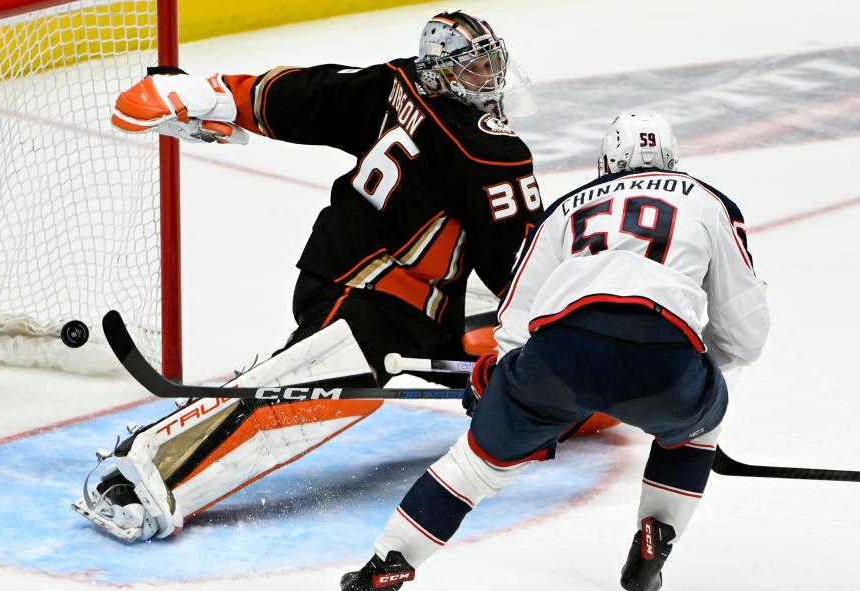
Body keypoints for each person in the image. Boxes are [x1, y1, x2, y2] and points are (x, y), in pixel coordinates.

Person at [73, 11, 547, 542]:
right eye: (473, 68)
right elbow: (518, 268)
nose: (489, 78)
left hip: (367, 281)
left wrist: (219, 94)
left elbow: (312, 96)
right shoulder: (492, 153)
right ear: (441, 71)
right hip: (376, 301)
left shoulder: (399, 81)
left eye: (490, 63)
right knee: (305, 392)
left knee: (511, 381)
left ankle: (554, 393)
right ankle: (151, 473)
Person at [330, 113, 770, 591]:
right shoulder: (708, 201)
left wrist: (500, 380)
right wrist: (698, 391)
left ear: (607, 163)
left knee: (475, 464)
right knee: (698, 429)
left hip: (558, 353)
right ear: (671, 161)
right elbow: (744, 330)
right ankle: (658, 532)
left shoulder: (567, 207)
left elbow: (517, 315)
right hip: (662, 356)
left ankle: (390, 560)